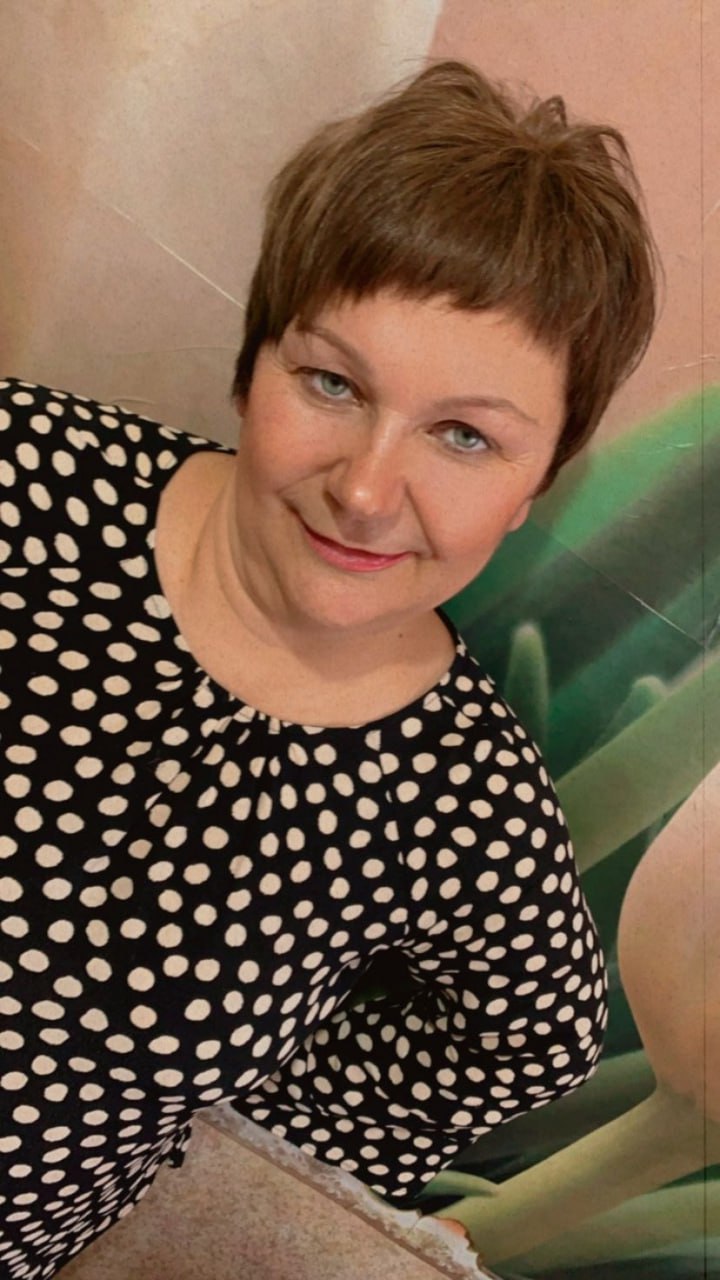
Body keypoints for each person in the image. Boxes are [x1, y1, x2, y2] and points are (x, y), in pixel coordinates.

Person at [0, 59, 656, 1277]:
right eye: (332, 382)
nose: (364, 487)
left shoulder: (462, 799)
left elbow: (530, 1037)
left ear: (536, 483)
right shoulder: (21, 474)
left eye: (464, 435)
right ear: (253, 363)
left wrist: (264, 1131)